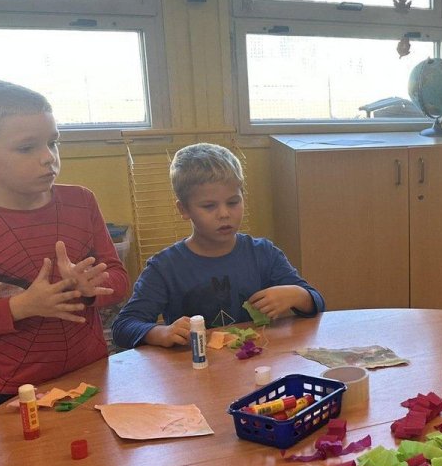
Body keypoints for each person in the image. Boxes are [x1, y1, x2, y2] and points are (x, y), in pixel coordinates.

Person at [0, 81, 128, 418]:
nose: (48, 157)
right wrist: (21, 306)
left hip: (90, 375)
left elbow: (119, 278)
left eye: (53, 142)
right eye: (27, 148)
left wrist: (90, 288)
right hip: (8, 390)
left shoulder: (82, 201)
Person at [112, 143, 323, 349]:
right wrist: (161, 333)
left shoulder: (263, 254)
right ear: (184, 209)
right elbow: (123, 327)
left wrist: (297, 295)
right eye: (209, 206)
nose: (224, 214)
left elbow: (317, 302)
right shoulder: (165, 267)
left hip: (256, 361)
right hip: (196, 366)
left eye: (233, 202)